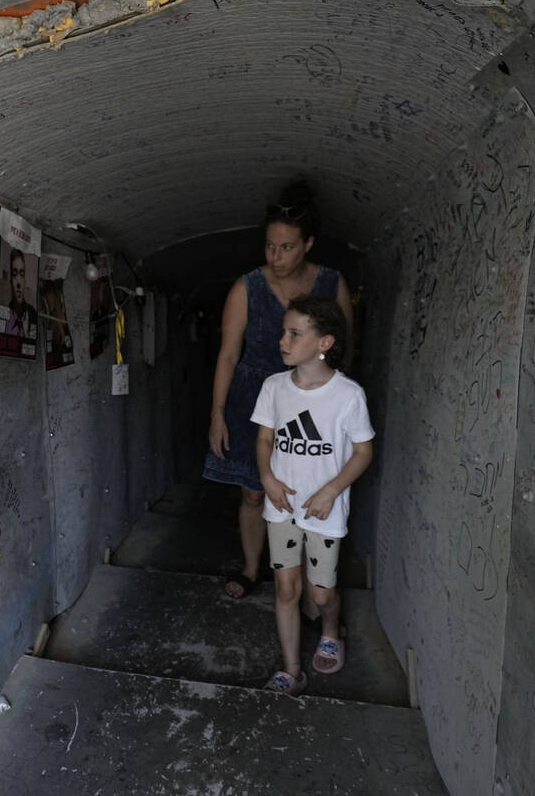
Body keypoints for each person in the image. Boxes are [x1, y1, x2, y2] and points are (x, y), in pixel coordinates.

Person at [205, 180, 354, 599]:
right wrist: (218, 412)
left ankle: (310, 585)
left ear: (308, 244)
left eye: (286, 247)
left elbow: (344, 351)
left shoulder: (331, 284)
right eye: (270, 246)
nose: (276, 256)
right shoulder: (247, 287)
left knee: (309, 492)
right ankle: (254, 568)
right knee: (254, 492)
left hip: (312, 401)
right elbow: (229, 355)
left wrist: (335, 407)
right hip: (255, 398)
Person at [253, 295, 373, 694]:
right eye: (284, 333)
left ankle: (329, 628)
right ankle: (291, 669)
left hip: (325, 511)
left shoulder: (348, 395)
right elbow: (265, 438)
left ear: (324, 343)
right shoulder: (274, 387)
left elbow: (362, 451)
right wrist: (267, 478)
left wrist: (332, 491)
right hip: (281, 505)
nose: (283, 341)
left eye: (295, 334)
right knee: (287, 589)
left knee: (320, 594)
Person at [2, 248, 37, 337]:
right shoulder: (5, 314)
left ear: (25, 281)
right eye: (14, 274)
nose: (18, 283)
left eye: (21, 274)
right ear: (10, 280)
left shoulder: (32, 314)